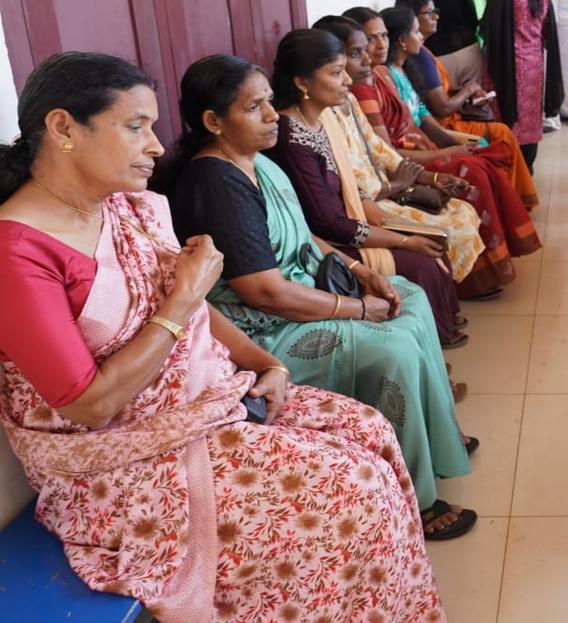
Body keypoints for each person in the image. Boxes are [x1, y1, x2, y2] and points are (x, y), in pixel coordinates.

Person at [0, 52, 447, 621]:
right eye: (136, 126)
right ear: (63, 127)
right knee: (351, 492)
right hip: (115, 462)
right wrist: (186, 295)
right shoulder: (17, 251)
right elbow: (90, 404)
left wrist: (267, 364)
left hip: (196, 406)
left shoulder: (122, 209)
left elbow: (195, 323)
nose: (157, 146)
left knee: (368, 430)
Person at [168, 52, 479, 542]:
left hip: (303, 289)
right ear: (213, 121)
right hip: (260, 328)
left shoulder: (257, 164)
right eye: (254, 108)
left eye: (270, 102)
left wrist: (360, 272)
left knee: (408, 298)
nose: (273, 115)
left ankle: (434, 444)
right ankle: (414, 496)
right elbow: (263, 291)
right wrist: (357, 308)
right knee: (389, 347)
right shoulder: (214, 181)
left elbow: (305, 234)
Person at [259, 28, 467, 346]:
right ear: (302, 82)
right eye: (336, 72)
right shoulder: (291, 136)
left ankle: (439, 337)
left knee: (434, 248)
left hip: (350, 220)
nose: (346, 80)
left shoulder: (324, 117)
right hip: (327, 241)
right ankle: (432, 344)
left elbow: (355, 179)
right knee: (423, 261)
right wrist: (404, 241)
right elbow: (326, 222)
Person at [347, 5, 542, 277]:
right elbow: (388, 151)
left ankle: (507, 238)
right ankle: (483, 273)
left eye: (383, 36)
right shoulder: (363, 89)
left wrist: (449, 146)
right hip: (403, 164)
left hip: (418, 149)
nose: (379, 45)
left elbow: (418, 120)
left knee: (489, 153)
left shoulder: (386, 74)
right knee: (477, 169)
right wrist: (448, 150)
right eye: (370, 39)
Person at [312, 15, 498, 298]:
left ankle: (463, 286)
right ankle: (457, 292)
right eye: (355, 54)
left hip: (391, 183)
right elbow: (353, 184)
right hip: (371, 202)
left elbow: (379, 148)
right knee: (450, 226)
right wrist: (397, 186)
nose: (369, 57)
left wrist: (430, 177)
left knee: (464, 209)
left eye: (380, 38)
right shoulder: (322, 116)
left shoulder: (352, 97)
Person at [396, 0, 540, 207]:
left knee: (499, 133)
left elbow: (435, 100)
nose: (436, 17)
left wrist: (465, 93)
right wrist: (469, 89)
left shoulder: (422, 51)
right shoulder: (417, 58)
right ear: (411, 19)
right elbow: (442, 108)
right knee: (501, 136)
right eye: (429, 13)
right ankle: (512, 201)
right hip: (440, 125)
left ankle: (511, 199)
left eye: (436, 12)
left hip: (436, 124)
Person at [481, 0, 565, 171]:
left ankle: (512, 175)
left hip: (508, 67)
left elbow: (489, 29)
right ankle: (527, 169)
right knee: (529, 120)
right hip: (534, 66)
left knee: (508, 116)